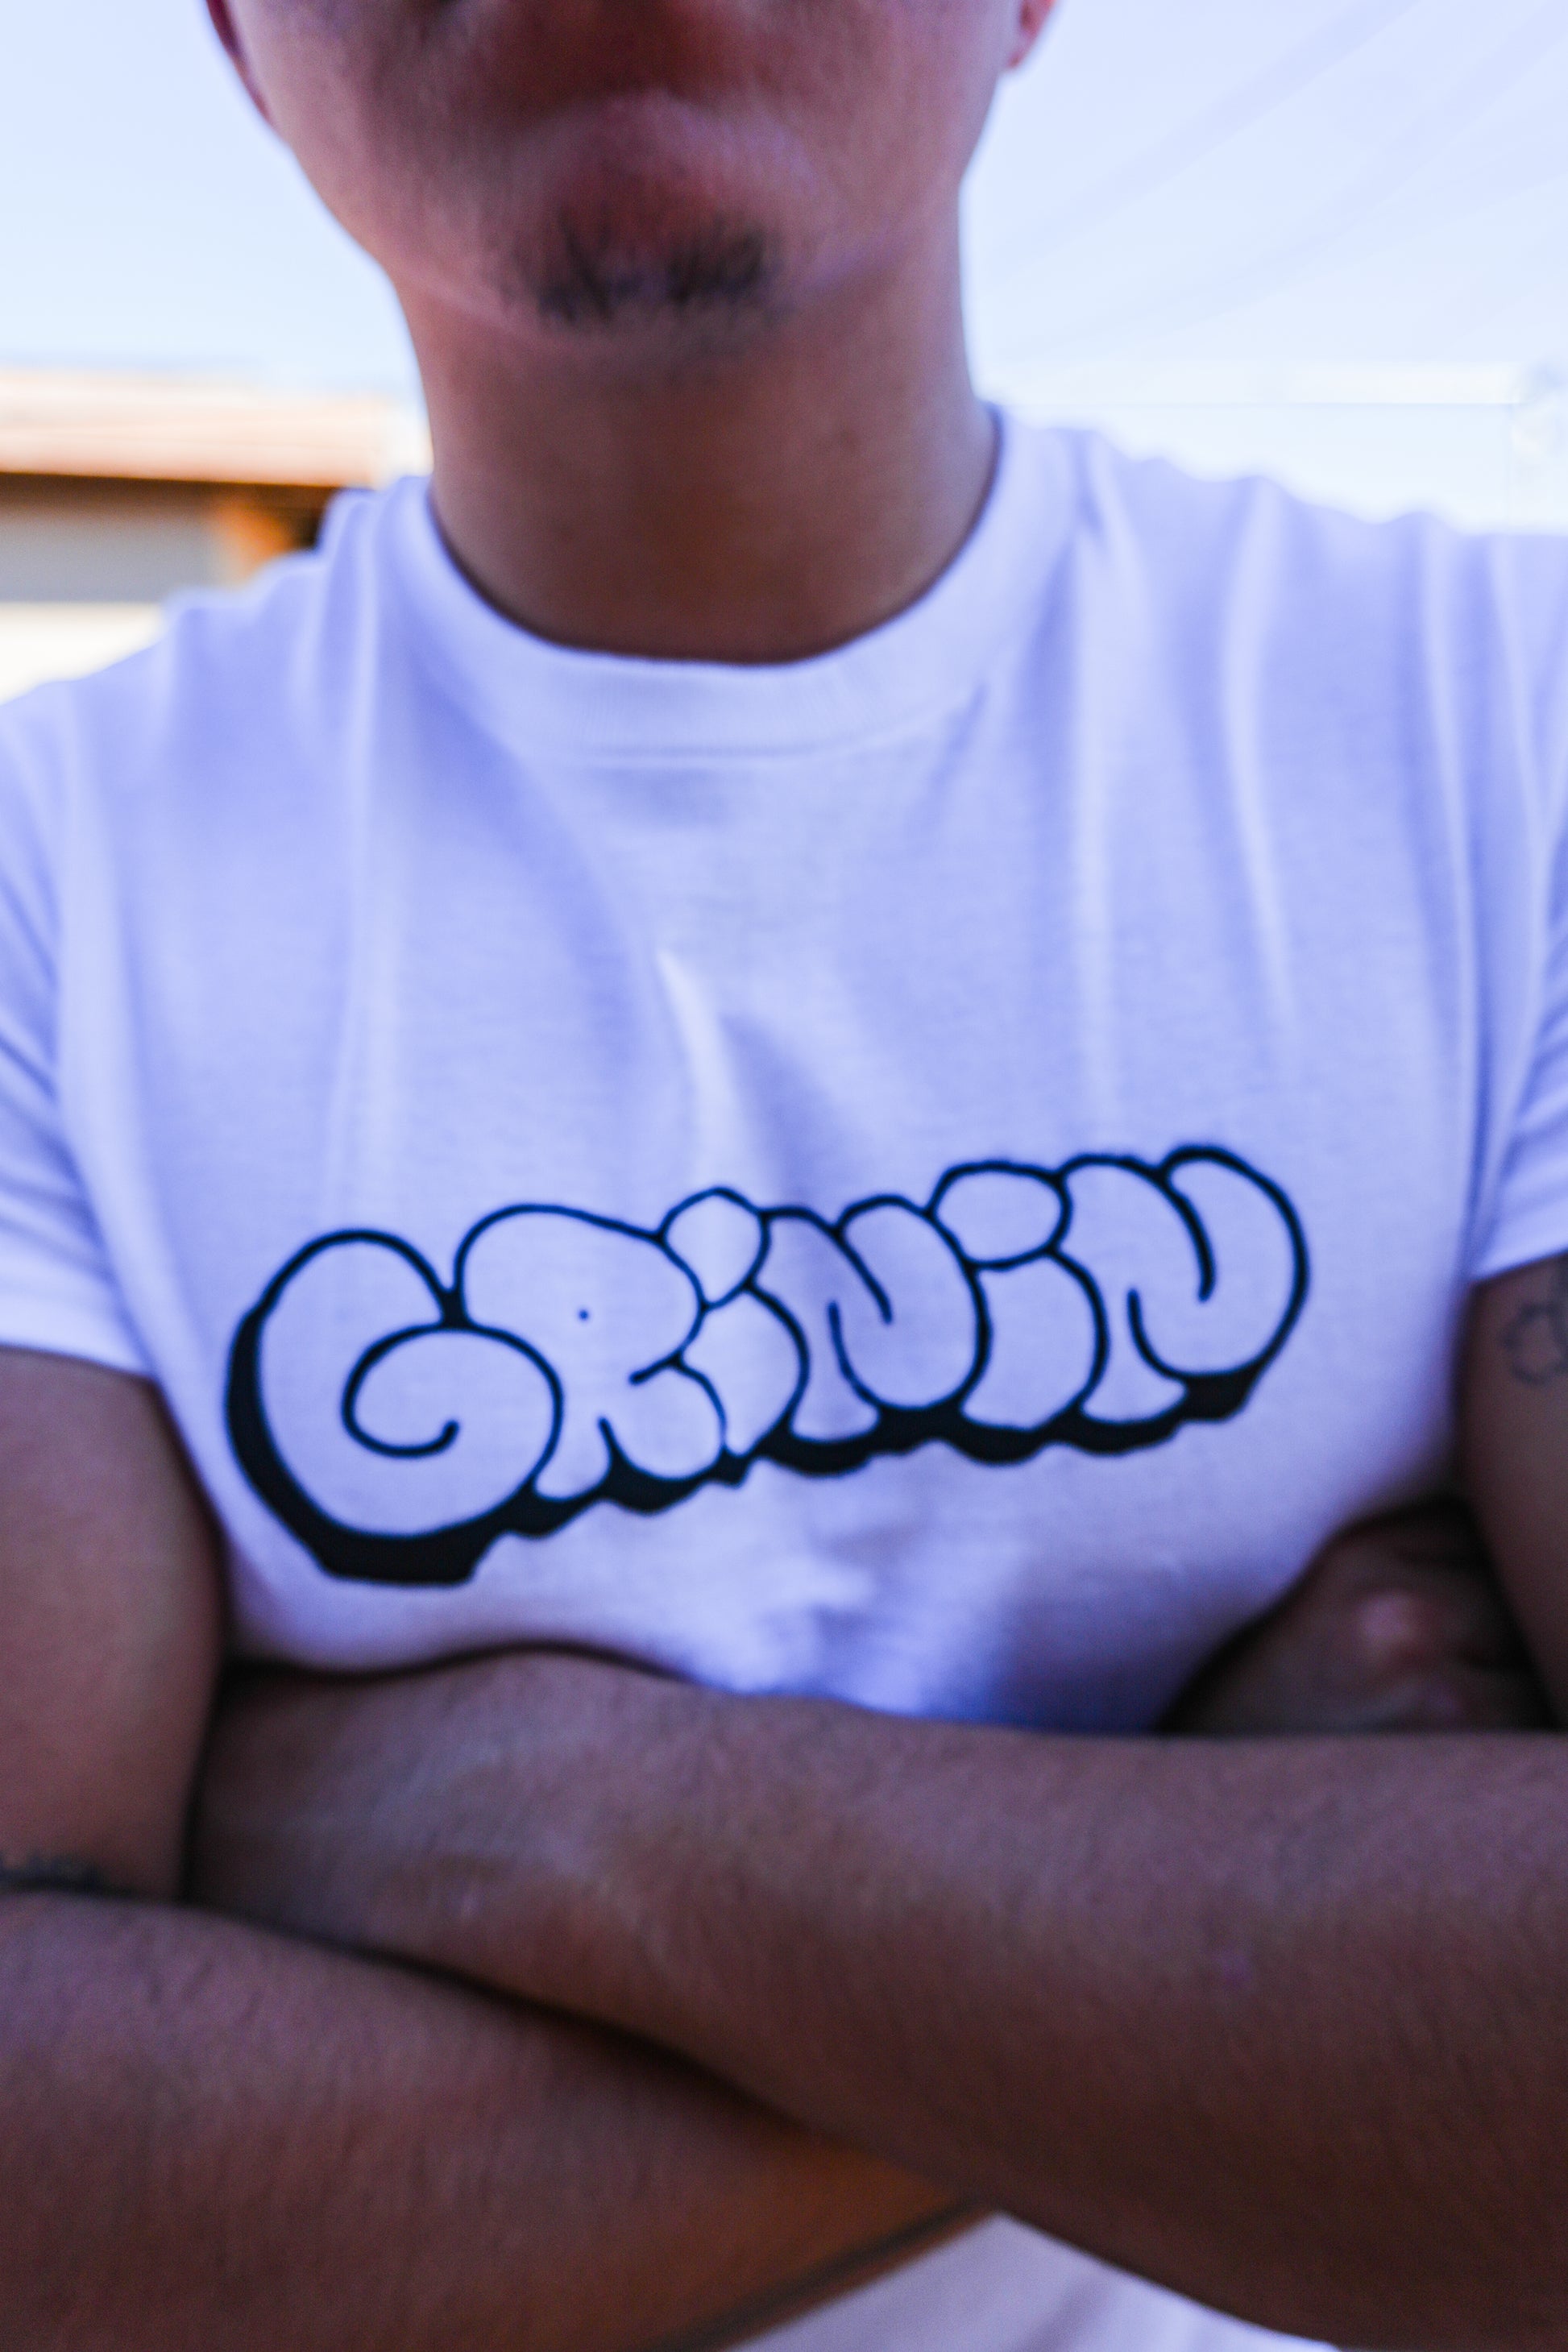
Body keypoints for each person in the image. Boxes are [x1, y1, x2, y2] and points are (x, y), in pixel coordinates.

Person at [0, 0, 1564, 2343]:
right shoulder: (48, 897)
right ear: (236, 35)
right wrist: (1219, 1916)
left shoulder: (1507, 732)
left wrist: (550, 1809)